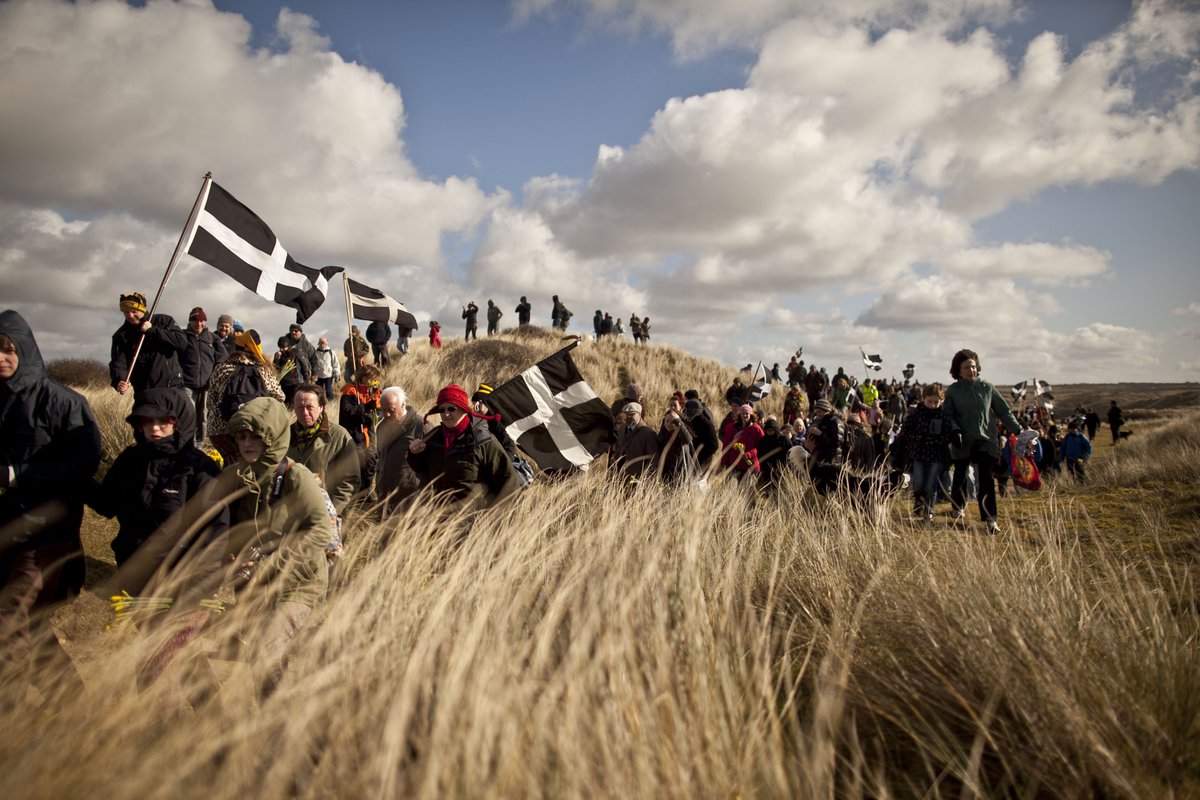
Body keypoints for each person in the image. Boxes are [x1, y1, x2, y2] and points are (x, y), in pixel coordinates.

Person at [0, 310, 101, 691]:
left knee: (9, 621)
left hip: (46, 534)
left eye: (9, 350)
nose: (1, 358)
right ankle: (70, 705)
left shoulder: (63, 402)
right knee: (34, 627)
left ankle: (9, 719)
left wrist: (15, 475)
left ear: (25, 350)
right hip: (5, 529)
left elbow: (83, 462)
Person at [224, 397, 332, 698]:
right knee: (259, 659)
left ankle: (281, 729)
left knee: (266, 655)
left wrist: (272, 562)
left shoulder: (297, 477)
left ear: (271, 436)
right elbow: (228, 527)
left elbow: (321, 530)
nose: (247, 443)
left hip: (299, 585)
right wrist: (229, 555)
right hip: (254, 586)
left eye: (255, 436)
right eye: (242, 436)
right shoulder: (238, 477)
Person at [87, 387, 227, 598]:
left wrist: (200, 584)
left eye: (163, 421)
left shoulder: (199, 467)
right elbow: (106, 504)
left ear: (179, 421)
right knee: (140, 629)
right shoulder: (129, 460)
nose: (154, 428)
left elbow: (216, 530)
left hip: (179, 581)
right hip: (132, 573)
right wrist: (75, 479)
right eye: (147, 421)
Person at [943, 349, 1025, 534]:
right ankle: (958, 507)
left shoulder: (988, 388)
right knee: (961, 475)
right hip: (962, 440)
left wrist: (1019, 430)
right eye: (966, 367)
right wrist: (954, 430)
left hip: (986, 440)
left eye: (973, 366)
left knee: (986, 480)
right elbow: (947, 414)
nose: (970, 370)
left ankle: (990, 520)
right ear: (958, 370)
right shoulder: (953, 391)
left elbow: (1004, 412)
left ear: (977, 367)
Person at [407, 384, 518, 511]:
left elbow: (508, 479)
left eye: (451, 409)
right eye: (442, 410)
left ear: (464, 410)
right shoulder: (433, 437)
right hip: (439, 517)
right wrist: (415, 454)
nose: (446, 414)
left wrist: (494, 515)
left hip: (474, 519)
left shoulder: (483, 439)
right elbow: (422, 470)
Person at [207, 329, 285, 465]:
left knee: (230, 466)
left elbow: (211, 401)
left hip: (220, 431)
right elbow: (280, 398)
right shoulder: (264, 370)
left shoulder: (222, 368)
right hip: (254, 430)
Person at [288, 383, 361, 515]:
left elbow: (350, 481)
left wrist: (331, 511)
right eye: (299, 407)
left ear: (321, 407)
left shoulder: (339, 436)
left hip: (327, 516)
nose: (304, 412)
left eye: (310, 407)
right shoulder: (286, 436)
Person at [109, 291, 188, 401]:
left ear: (143, 309)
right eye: (126, 312)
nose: (130, 316)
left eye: (134, 311)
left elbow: (181, 342)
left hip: (172, 387)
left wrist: (153, 330)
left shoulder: (164, 321)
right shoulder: (121, 335)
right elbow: (118, 363)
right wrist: (119, 381)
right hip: (144, 391)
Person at [897, 383, 953, 524]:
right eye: (930, 402)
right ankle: (919, 501)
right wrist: (919, 439)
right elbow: (906, 431)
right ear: (923, 399)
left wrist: (937, 440)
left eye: (936, 402)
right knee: (918, 484)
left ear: (941, 401)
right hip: (919, 455)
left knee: (931, 485)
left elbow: (948, 435)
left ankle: (929, 513)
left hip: (936, 456)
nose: (933, 405)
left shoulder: (944, 416)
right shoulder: (916, 414)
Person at [179, 306, 226, 446]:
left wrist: (215, 375)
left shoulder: (211, 337)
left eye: (201, 321)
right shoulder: (182, 336)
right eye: (195, 320)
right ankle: (189, 442)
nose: (198, 324)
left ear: (205, 321)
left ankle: (200, 443)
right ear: (189, 321)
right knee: (189, 414)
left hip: (207, 384)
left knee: (203, 415)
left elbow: (223, 357)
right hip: (187, 383)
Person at [375, 386, 423, 516]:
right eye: (383, 410)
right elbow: (381, 458)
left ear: (403, 405)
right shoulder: (381, 428)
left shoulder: (420, 425)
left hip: (410, 500)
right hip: (384, 499)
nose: (386, 415)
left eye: (391, 410)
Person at [339, 364, 384, 493]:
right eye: (372, 378)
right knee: (356, 466)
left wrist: (371, 417)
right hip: (354, 435)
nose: (375, 382)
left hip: (369, 435)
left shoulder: (375, 393)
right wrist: (365, 408)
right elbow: (347, 411)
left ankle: (367, 491)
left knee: (371, 464)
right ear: (363, 378)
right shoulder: (350, 392)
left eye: (376, 379)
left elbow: (379, 412)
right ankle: (355, 493)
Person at [611, 402, 660, 484]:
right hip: (619, 478)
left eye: (632, 414)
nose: (628, 417)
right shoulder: (623, 429)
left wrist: (646, 481)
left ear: (639, 414)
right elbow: (619, 449)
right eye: (626, 414)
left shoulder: (649, 434)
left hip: (636, 481)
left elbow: (653, 460)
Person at [807, 399, 846, 496]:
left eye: (819, 411)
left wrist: (820, 434)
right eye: (816, 412)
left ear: (827, 410)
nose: (817, 414)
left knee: (829, 491)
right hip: (821, 460)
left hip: (832, 461)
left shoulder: (836, 422)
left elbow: (836, 443)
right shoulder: (821, 422)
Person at [719, 404, 763, 480]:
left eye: (747, 413)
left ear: (751, 415)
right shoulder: (733, 428)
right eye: (743, 413)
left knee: (747, 490)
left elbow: (761, 446)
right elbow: (727, 445)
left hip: (751, 465)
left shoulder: (756, 429)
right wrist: (724, 461)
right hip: (734, 464)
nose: (745, 415)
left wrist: (749, 454)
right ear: (740, 414)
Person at [682, 398, 720, 473]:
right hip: (694, 460)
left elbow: (714, 445)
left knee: (700, 482)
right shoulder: (692, 421)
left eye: (686, 409)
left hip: (703, 462)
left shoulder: (705, 423)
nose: (685, 411)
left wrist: (700, 455)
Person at [313, 336, 340, 402]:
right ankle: (320, 404)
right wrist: (314, 374)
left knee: (329, 391)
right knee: (319, 392)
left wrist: (337, 373)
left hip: (328, 375)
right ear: (319, 344)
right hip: (319, 375)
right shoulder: (316, 353)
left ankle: (331, 404)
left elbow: (335, 363)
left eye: (323, 343)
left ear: (326, 343)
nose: (322, 345)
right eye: (320, 343)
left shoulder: (331, 352)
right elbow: (313, 364)